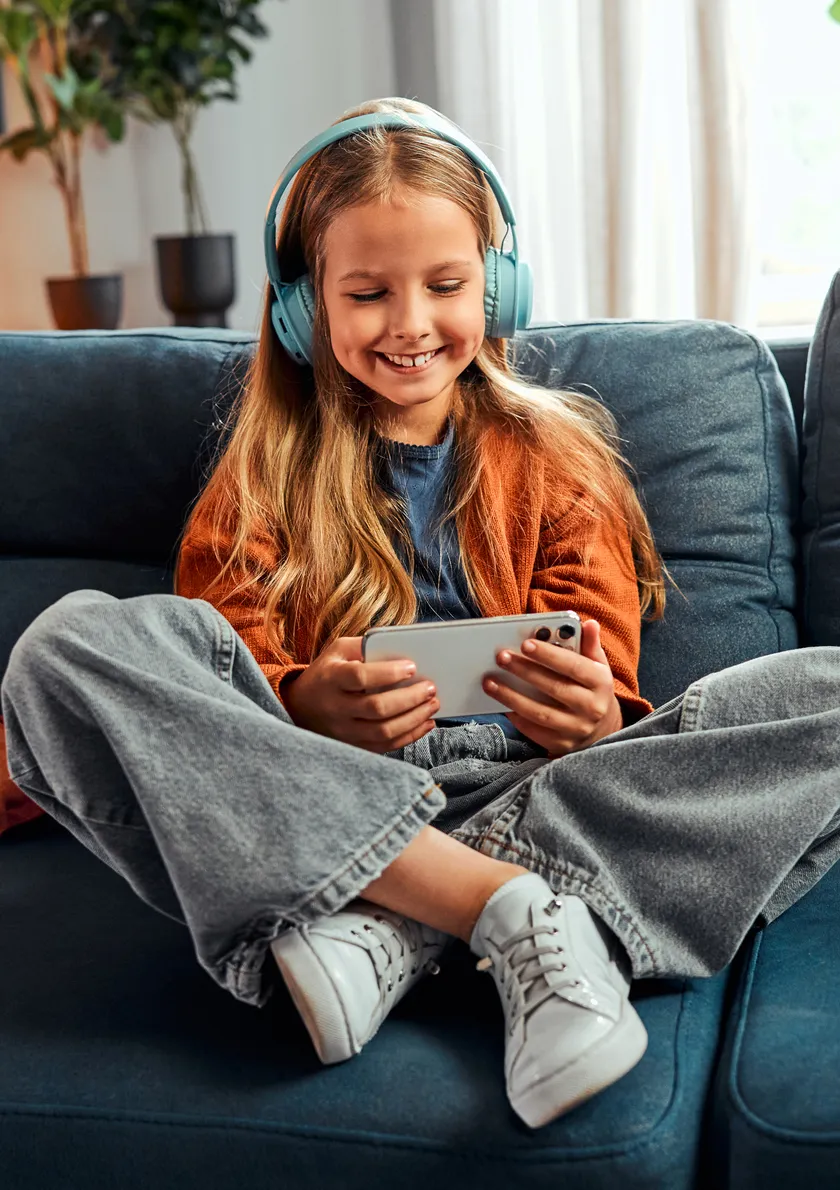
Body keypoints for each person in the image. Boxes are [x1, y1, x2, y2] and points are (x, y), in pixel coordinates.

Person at [5, 97, 840, 1133]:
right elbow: (216, 695)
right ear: (304, 310)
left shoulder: (561, 462)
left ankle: (395, 928)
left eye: (446, 286)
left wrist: (596, 714)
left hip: (544, 787)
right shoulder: (260, 482)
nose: (410, 323)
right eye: (367, 293)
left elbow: (608, 684)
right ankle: (506, 907)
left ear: (497, 288)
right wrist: (302, 704)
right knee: (68, 642)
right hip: (318, 802)